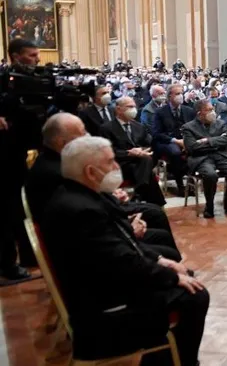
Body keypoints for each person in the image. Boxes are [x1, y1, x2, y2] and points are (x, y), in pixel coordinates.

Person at [43, 136, 208, 365]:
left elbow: (121, 244)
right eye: (110, 162)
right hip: (102, 313)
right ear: (90, 171)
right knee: (196, 295)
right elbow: (122, 262)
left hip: (106, 285)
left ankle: (166, 357)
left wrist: (161, 260)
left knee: (184, 276)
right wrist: (169, 276)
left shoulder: (82, 194)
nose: (117, 167)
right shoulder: (81, 210)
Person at [28, 114, 181, 261]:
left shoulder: (59, 160)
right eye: (82, 133)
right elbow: (85, 218)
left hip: (100, 220)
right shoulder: (56, 172)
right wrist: (127, 226)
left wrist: (113, 197)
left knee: (155, 213)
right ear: (63, 143)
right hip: (87, 247)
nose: (88, 136)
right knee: (157, 222)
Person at [0, 39, 42, 282]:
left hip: (25, 151)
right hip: (6, 157)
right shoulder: (4, 81)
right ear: (15, 56)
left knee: (24, 208)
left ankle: (29, 254)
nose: (37, 59)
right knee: (8, 210)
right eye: (32, 55)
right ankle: (8, 264)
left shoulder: (35, 81)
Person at [100, 97, 166, 206]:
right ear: (118, 109)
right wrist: (129, 153)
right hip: (121, 164)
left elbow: (149, 144)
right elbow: (108, 152)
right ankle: (153, 201)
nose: (133, 109)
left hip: (140, 162)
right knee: (148, 170)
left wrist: (142, 150)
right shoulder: (106, 128)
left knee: (145, 159)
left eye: (134, 106)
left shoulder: (139, 126)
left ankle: (140, 193)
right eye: (130, 107)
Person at [182, 100, 227, 218]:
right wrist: (217, 142)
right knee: (210, 175)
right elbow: (192, 147)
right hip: (201, 158)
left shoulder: (220, 123)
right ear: (199, 113)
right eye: (209, 110)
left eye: (212, 109)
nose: (213, 112)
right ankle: (209, 205)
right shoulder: (188, 127)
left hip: (221, 155)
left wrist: (207, 141)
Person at [152, 84, 195, 197]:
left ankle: (190, 182)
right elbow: (156, 134)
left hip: (185, 139)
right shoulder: (160, 112)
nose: (180, 96)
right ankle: (180, 184)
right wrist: (175, 141)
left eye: (181, 93)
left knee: (196, 148)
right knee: (175, 152)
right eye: (177, 94)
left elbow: (194, 128)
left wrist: (187, 141)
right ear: (170, 96)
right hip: (167, 141)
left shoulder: (189, 110)